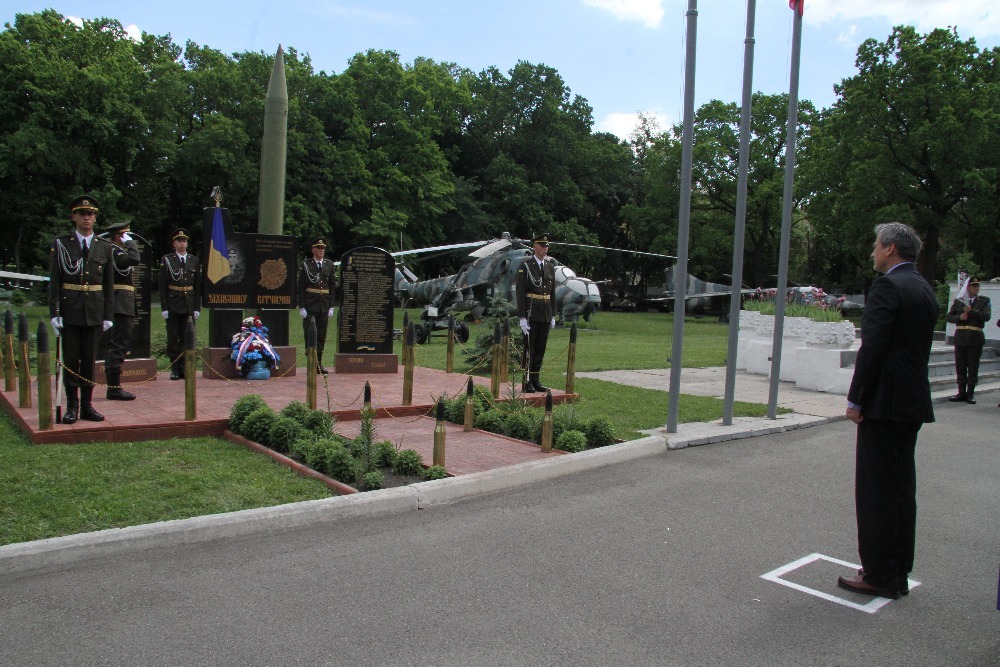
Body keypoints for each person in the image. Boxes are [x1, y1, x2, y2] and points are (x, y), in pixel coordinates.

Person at [838, 222, 938, 600]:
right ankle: (895, 569)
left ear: (892, 248)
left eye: (876, 246)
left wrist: (856, 399)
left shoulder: (888, 287)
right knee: (899, 491)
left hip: (884, 404)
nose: (872, 252)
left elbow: (873, 348)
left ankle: (880, 574)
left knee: (876, 491)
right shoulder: (923, 287)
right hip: (910, 402)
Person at [48, 195, 115, 423]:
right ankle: (72, 406)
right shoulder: (62, 244)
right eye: (82, 214)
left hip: (95, 312)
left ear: (95, 218)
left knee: (89, 361)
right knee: (71, 360)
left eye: (91, 214)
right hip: (70, 311)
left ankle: (87, 405)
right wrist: (55, 313)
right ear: (74, 217)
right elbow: (55, 281)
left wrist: (108, 315)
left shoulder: (104, 247)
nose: (87, 217)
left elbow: (108, 283)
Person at [102, 221, 141, 400]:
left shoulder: (113, 251)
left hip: (121, 302)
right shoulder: (115, 251)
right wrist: (131, 243)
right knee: (118, 345)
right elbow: (134, 259)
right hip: (120, 303)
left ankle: (114, 386)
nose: (128, 238)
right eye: (125, 234)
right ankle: (114, 388)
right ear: (119, 236)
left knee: (116, 344)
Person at [516, 233, 557, 393]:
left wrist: (553, 314)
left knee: (541, 348)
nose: (545, 248)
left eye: (546, 246)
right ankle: (526, 382)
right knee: (529, 349)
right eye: (541, 245)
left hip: (545, 313)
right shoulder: (525, 265)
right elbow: (520, 292)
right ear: (534, 246)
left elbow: (552, 293)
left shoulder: (549, 267)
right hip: (531, 313)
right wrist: (521, 317)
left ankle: (535, 379)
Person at [158, 228, 201, 380]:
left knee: (187, 338)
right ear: (174, 244)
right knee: (173, 338)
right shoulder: (167, 260)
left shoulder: (194, 260)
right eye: (179, 241)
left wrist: (197, 307)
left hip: (188, 303)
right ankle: (175, 368)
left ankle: (184, 367)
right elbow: (162, 285)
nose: (182, 243)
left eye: (185, 241)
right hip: (173, 304)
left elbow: (197, 286)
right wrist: (164, 307)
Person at [945, 276, 991, 404]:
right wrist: (960, 316)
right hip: (960, 337)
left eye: (978, 286)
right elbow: (949, 317)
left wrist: (972, 312)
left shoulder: (984, 300)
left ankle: (970, 393)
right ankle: (961, 391)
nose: (977, 288)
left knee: (972, 366)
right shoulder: (959, 301)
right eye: (974, 285)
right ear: (967, 287)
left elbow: (986, 316)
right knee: (960, 366)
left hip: (975, 338)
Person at [297, 237, 336, 374]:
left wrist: (331, 305)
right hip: (310, 305)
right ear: (313, 249)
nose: (321, 250)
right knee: (310, 334)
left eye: (323, 248)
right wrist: (301, 306)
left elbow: (332, 286)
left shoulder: (329, 265)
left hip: (324, 305)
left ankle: (319, 364)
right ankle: (311, 364)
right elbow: (301, 287)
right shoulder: (306, 265)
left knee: (321, 335)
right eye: (318, 248)